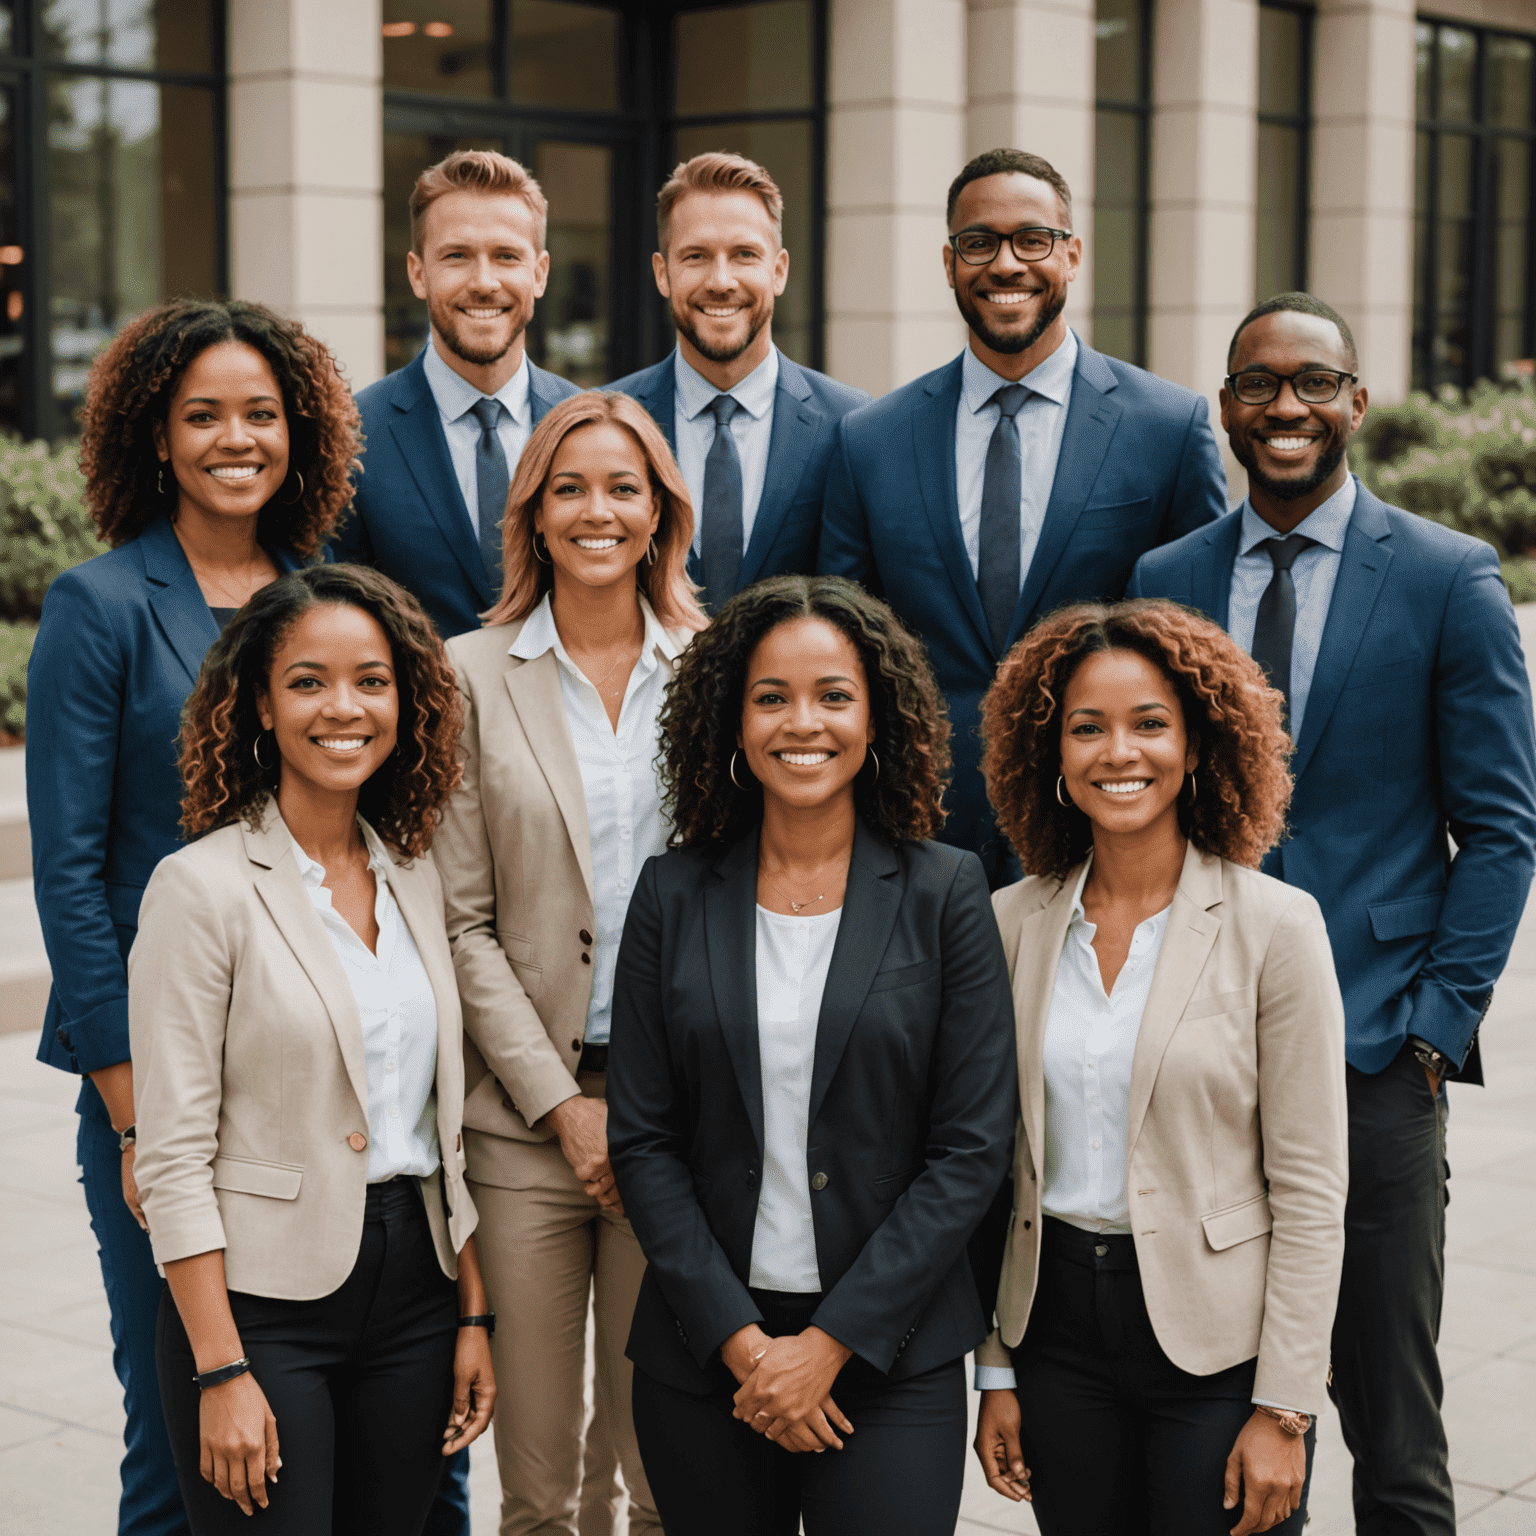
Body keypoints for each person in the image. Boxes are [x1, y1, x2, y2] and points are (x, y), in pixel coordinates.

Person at [1127, 293, 1536, 1536]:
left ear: (1356, 400)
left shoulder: (1447, 575)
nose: (1286, 407)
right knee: (1235, 1412)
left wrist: (1434, 1028)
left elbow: (1504, 829)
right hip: (1202, 1053)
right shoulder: (1168, 579)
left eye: (1314, 383)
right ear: (1229, 410)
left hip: (1372, 1054)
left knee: (1392, 1422)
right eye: (1258, 385)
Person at [25, 298, 358, 1536]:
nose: (236, 437)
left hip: (314, 1068)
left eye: (262, 414)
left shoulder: (326, 600)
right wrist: (127, 1105)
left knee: (311, 1418)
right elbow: (67, 871)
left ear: (302, 432)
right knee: (181, 1427)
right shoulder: (100, 604)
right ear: (155, 438)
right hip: (161, 1080)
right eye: (203, 415)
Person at [606, 574, 1019, 1535]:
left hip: (889, 1350)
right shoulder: (671, 894)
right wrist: (748, 1349)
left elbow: (970, 1150)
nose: (805, 723)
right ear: (732, 723)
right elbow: (644, 1140)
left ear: (879, 719)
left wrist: (827, 1345)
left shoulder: (945, 889)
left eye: (834, 695)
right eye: (771, 697)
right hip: (703, 1352)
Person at [128, 563, 492, 1535]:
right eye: (308, 681)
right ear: (258, 704)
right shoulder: (199, 889)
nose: (345, 707)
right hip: (261, 1303)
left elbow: (437, 1126)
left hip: (418, 1288)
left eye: (372, 680)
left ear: (406, 699)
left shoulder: (413, 872)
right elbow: (170, 1157)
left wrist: (470, 1314)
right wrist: (222, 1369)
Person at [972, 599, 1348, 1535]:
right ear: (1051, 754)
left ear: (1195, 745)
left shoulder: (1276, 927)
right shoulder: (1009, 923)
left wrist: (1286, 1406)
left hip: (1217, 1343)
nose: (1118, 752)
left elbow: (1311, 1187)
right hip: (1052, 1328)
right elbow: (987, 1164)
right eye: (1086, 728)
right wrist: (997, 1368)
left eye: (1149, 725)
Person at [432, 389, 706, 1535]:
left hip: (681, 1123)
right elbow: (460, 923)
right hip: (522, 1125)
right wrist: (561, 1107)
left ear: (661, 515)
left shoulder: (719, 668)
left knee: (663, 1474)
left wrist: (638, 1110)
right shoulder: (464, 675)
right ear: (534, 514)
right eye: (570, 488)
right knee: (539, 1486)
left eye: (623, 488)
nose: (598, 511)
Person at [818, 148, 1229, 888]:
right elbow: (842, 649)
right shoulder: (870, 441)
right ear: (949, 263)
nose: (1006, 264)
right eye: (980, 243)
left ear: (1070, 255)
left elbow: (1198, 653)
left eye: (1031, 240)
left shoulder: (1168, 428)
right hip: (919, 836)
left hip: (1108, 830)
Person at [331, 149, 581, 639]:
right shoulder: (351, 435)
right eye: (456, 256)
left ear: (540, 273)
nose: (484, 282)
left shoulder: (588, 425)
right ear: (418, 273)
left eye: (506, 256)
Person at [604, 152, 867, 610]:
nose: (721, 281)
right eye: (696, 256)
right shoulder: (609, 421)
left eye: (744, 255)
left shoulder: (851, 424)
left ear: (779, 271)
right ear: (663, 274)